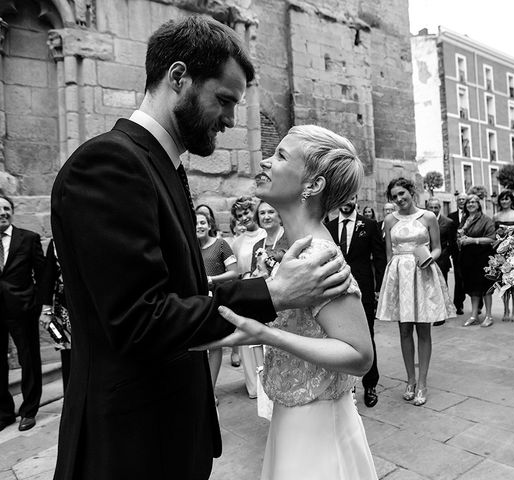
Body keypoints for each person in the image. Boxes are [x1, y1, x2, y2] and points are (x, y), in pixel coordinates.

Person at [50, 17, 350, 480]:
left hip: (170, 437)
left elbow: (185, 294)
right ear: (178, 77)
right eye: (225, 100)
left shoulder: (163, 167)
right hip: (130, 448)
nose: (231, 119)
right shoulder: (109, 164)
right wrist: (272, 294)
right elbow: (141, 320)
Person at [196, 125, 377, 479]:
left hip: (317, 428)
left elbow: (360, 355)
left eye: (280, 156)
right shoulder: (295, 247)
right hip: (294, 417)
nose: (265, 160)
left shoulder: (319, 256)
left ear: (313, 185)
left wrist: (267, 335)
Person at [377, 178, 455, 406]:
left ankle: (422, 382)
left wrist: (432, 258)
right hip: (400, 275)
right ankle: (409, 380)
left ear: (411, 192)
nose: (399, 199)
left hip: (423, 273)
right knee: (404, 330)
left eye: (402, 194)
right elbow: (389, 254)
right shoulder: (390, 220)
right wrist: (390, 283)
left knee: (424, 330)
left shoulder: (428, 217)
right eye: (394, 196)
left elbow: (438, 246)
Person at [327, 194, 386, 408]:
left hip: (364, 290)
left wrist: (379, 288)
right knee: (340, 339)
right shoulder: (329, 227)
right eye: (342, 197)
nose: (346, 201)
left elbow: (380, 259)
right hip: (335, 290)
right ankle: (347, 385)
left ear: (356, 199)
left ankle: (370, 384)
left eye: (350, 197)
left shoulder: (369, 225)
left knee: (367, 336)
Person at [0, 194, 45, 432]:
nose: (3, 213)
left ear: (12, 211)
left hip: (22, 309)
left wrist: (36, 304)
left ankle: (29, 411)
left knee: (28, 359)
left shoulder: (28, 238)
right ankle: (4, 413)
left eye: (7, 208)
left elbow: (42, 274)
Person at [196, 210, 237, 405]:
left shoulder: (221, 245)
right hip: (195, 302)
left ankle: (210, 391)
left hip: (217, 300)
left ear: (210, 225)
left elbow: (234, 273)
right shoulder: (191, 248)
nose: (199, 226)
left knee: (215, 345)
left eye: (202, 222)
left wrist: (211, 279)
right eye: (195, 223)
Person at [230, 196, 266, 398]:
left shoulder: (265, 234)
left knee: (263, 335)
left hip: (262, 287)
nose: (244, 217)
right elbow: (234, 270)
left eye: (247, 212)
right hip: (244, 289)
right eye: (239, 215)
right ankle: (253, 385)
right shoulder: (237, 242)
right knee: (246, 337)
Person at [458, 194, 496, 327]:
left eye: (474, 202)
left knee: (485, 287)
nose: (471, 204)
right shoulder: (465, 219)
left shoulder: (486, 219)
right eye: (468, 202)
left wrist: (473, 240)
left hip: (482, 257)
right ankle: (474, 315)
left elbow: (492, 238)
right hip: (468, 258)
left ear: (479, 204)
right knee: (472, 287)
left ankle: (489, 316)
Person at [40, 240, 72, 392]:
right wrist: (46, 311)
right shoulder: (56, 241)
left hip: (92, 309)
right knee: (69, 357)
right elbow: (48, 277)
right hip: (65, 311)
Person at [493, 189, 514, 322]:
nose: (504, 201)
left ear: (511, 200)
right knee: (502, 281)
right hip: (500, 251)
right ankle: (505, 309)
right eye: (502, 199)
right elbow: (494, 235)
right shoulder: (495, 216)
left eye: (507, 198)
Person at [250, 200, 289, 278]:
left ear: (279, 215)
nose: (266, 217)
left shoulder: (290, 237)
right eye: (262, 213)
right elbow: (254, 272)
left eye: (271, 212)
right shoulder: (258, 246)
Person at [426, 197, 457, 284]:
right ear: (427, 208)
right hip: (425, 258)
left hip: (442, 261)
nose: (433, 210)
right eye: (430, 207)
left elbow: (452, 243)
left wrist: (446, 255)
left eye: (435, 207)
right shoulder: (422, 221)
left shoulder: (448, 223)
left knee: (442, 285)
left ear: (440, 208)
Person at [449, 193, 468, 314]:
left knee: (472, 278)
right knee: (458, 278)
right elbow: (449, 236)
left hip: (471, 252)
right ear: (456, 201)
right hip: (457, 253)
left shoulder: (472, 215)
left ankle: (479, 304)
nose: (461, 201)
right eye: (459, 199)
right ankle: (458, 304)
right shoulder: (451, 216)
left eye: (463, 199)